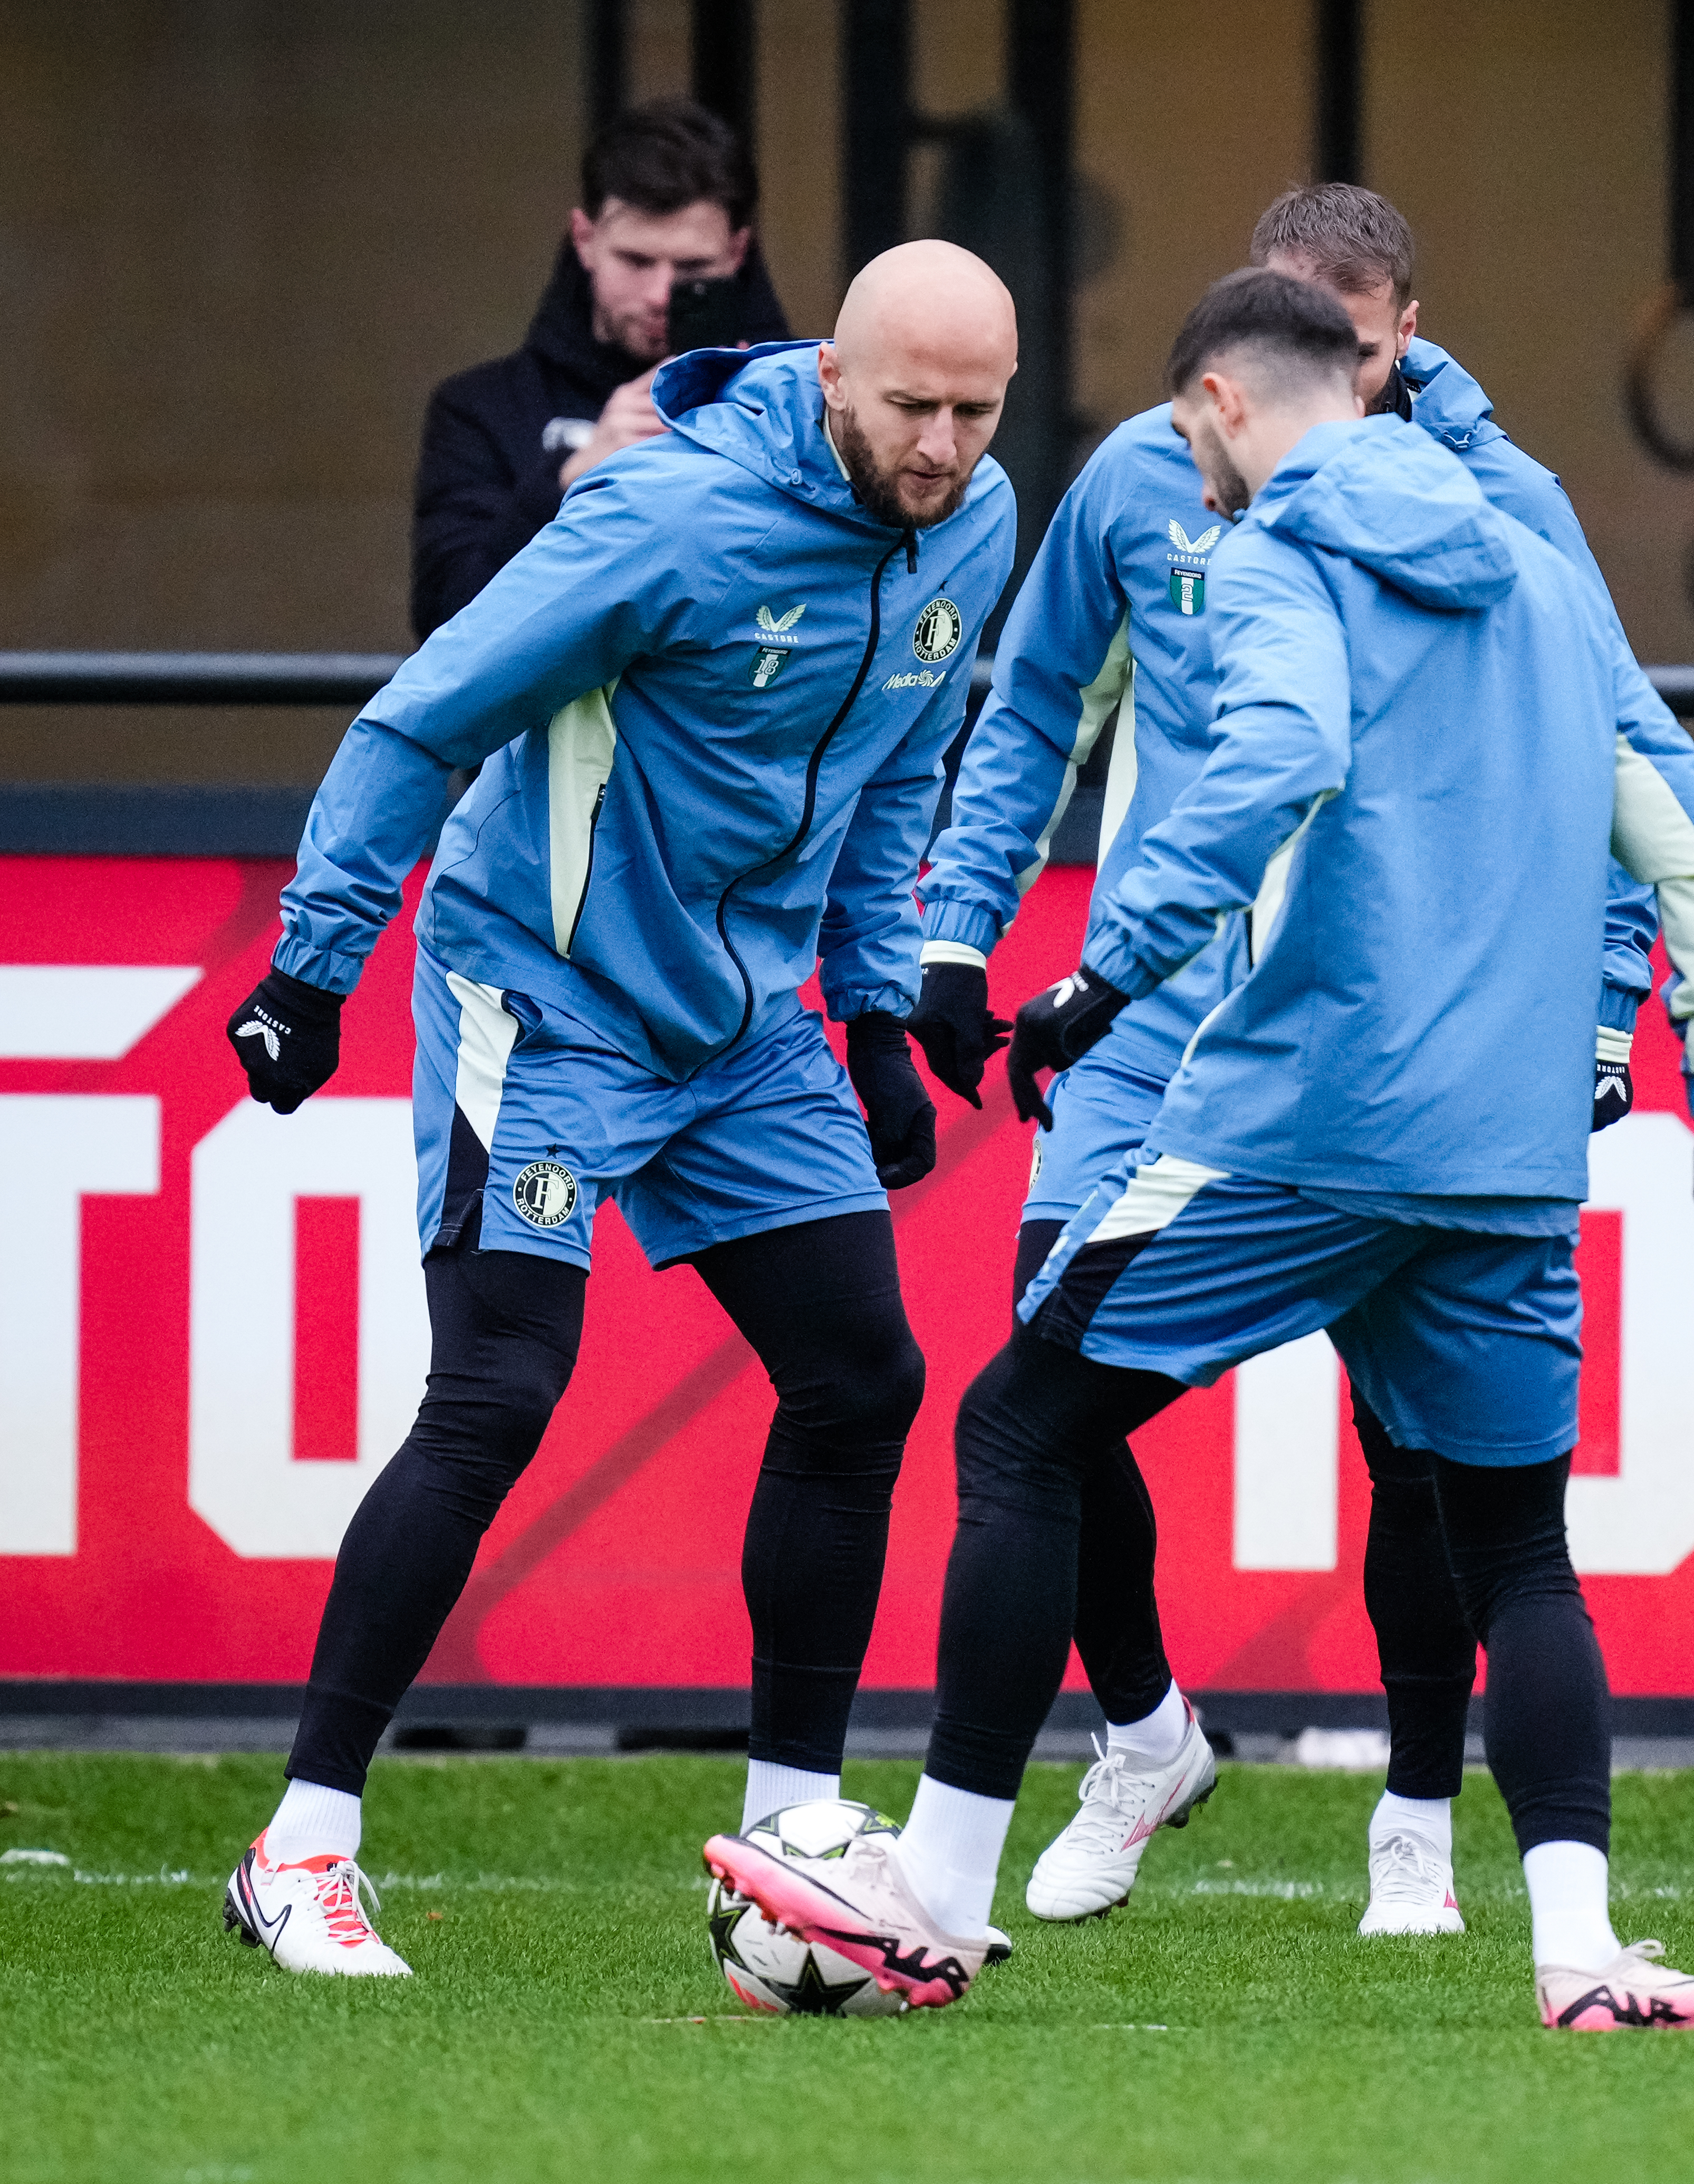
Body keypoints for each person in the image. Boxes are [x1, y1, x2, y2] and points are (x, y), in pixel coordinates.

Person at [707, 267, 1694, 2027]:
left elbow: (1271, 756)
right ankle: (1583, 1958)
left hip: (1304, 1116)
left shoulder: (1278, 554)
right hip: (1508, 1155)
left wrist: (1094, 982)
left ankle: (936, 1893)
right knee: (1517, 1550)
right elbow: (1691, 828)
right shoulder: (1532, 555)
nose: (1185, 483)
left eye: (1187, 445)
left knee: (1019, 1426)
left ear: (1223, 405)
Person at [903, 184, 1694, 1937]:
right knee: (1059, 1374)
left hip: (1330, 1043)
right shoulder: (1145, 479)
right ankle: (1144, 1736)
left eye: (1359, 329)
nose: (1330, 357)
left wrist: (1599, 1012)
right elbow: (1039, 703)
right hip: (1188, 1044)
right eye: (1299, 321)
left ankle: (1409, 1820)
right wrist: (965, 936)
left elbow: (1599, 774)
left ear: (1402, 339)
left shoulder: (1505, 512)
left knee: (1373, 1462)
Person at [217, 243, 1021, 1979]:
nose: (945, 444)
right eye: (913, 406)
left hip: (742, 1029)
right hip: (545, 997)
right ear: (833, 380)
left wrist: (877, 1010)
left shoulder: (980, 518)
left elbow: (900, 763)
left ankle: (792, 1824)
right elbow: (420, 718)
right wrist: (312, 963)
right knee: (500, 1391)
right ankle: (302, 1846)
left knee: (863, 1372)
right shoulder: (663, 521)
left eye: (977, 408)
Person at [412, 99, 792, 637]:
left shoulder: (805, 404)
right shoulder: (482, 409)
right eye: (636, 261)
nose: (662, 293)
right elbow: (446, 621)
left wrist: (764, 437)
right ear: (585, 241)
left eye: (693, 268)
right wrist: (573, 476)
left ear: (738, 252)